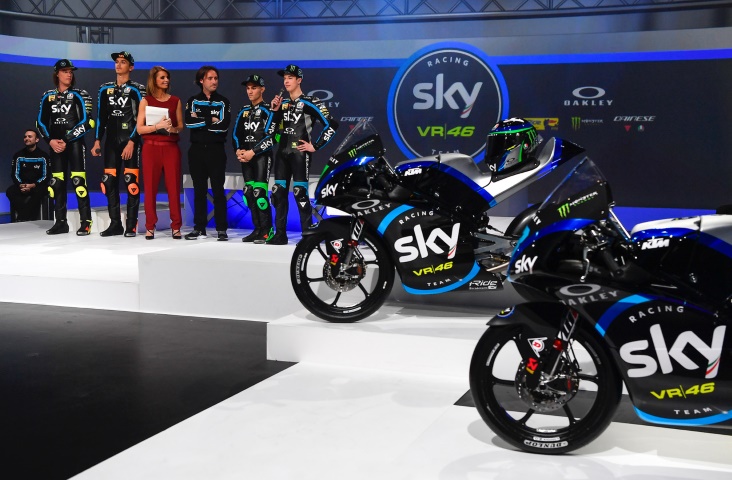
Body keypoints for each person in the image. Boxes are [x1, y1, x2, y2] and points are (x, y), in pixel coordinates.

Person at [269, 64, 338, 245]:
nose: (286, 81)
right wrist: (274, 111)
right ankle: (280, 235)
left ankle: (308, 236)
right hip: (282, 153)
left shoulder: (310, 101)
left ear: (299, 80)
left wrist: (315, 146)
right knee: (278, 193)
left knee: (300, 193)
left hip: (299, 154)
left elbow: (332, 124)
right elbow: (270, 131)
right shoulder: (282, 104)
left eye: (290, 78)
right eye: (285, 78)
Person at [37, 59, 94, 235]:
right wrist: (50, 141)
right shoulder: (47, 96)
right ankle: (61, 223)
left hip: (75, 144)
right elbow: (40, 122)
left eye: (71, 71)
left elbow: (88, 122)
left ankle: (86, 222)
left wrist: (66, 139)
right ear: (57, 74)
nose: (69, 74)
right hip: (55, 146)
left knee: (79, 182)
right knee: (57, 184)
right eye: (65, 71)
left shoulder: (80, 94)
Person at [92, 51, 146, 237]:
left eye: (123, 62)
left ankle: (131, 225)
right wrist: (97, 140)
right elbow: (101, 117)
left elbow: (142, 118)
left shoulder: (138, 89)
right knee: (108, 183)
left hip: (130, 141)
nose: (118, 64)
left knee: (131, 183)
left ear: (131, 67)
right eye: (117, 61)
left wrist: (132, 141)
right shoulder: (104, 89)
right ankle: (115, 224)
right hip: (111, 143)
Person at [183, 66, 231, 241]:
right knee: (199, 190)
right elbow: (189, 123)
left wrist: (200, 119)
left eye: (216, 78)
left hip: (216, 150)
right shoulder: (193, 101)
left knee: (218, 190)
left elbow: (223, 127)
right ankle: (199, 228)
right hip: (196, 150)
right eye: (210, 78)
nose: (214, 81)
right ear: (201, 80)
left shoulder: (223, 102)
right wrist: (211, 119)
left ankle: (221, 229)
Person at [136, 66, 184, 240]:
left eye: (167, 77)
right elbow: (140, 129)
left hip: (171, 148)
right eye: (162, 77)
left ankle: (176, 226)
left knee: (174, 188)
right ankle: (150, 226)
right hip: (151, 148)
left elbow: (180, 126)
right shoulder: (146, 101)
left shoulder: (176, 101)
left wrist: (172, 128)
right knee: (150, 189)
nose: (166, 80)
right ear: (154, 80)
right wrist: (158, 126)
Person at [232, 74, 275, 243]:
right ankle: (257, 229)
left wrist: (253, 152)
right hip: (246, 158)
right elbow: (236, 134)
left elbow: (272, 137)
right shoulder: (243, 111)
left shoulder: (268, 110)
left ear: (262, 89)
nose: (250, 91)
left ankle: (267, 230)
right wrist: (239, 151)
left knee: (260, 193)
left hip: (262, 157)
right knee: (249, 193)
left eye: (254, 88)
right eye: (248, 88)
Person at [6, 129, 51, 222]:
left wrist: (33, 185)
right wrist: (21, 185)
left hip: (37, 185)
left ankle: (23, 217)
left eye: (30, 137)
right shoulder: (18, 155)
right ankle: (24, 216)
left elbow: (46, 176)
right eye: (25, 137)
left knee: (40, 191)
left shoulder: (43, 156)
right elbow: (14, 174)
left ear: (37, 140)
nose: (26, 138)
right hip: (22, 184)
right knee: (10, 191)